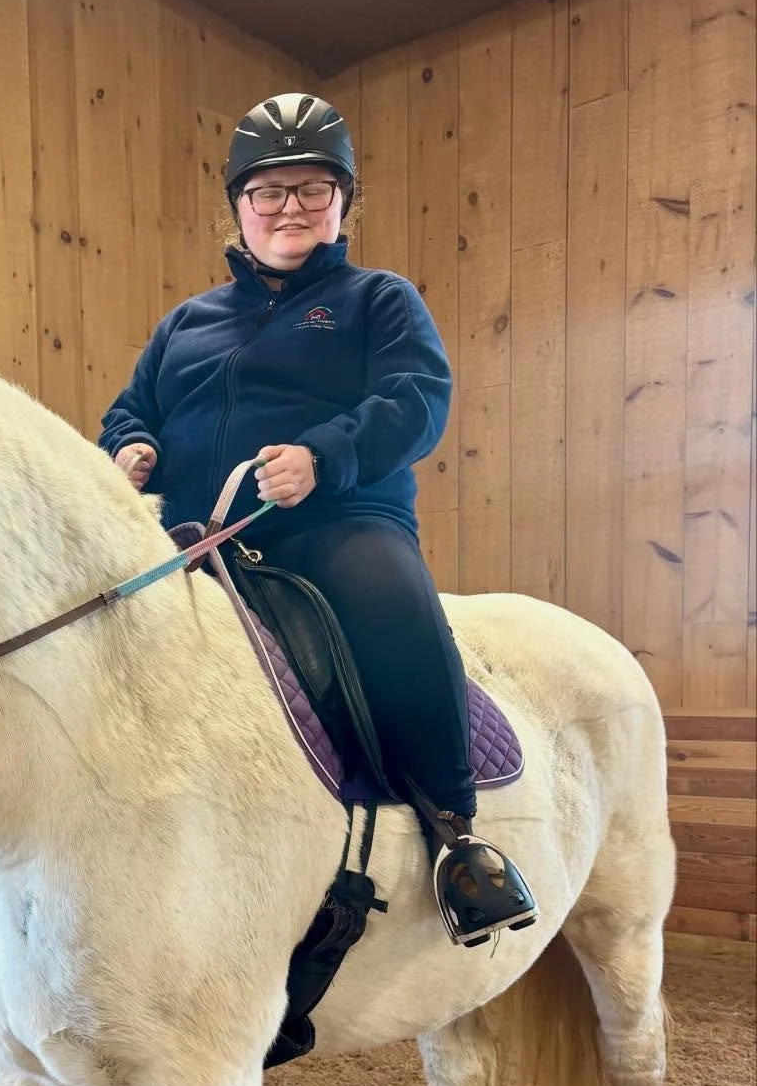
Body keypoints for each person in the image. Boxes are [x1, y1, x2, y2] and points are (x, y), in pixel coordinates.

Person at [99, 92, 536, 945]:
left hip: (333, 520)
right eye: (270, 191)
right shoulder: (184, 324)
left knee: (392, 606)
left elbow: (417, 401)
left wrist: (322, 458)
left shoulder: (380, 299)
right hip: (191, 538)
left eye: (312, 189)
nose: (289, 207)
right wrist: (133, 447)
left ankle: (458, 840)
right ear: (240, 206)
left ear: (343, 203)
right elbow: (129, 410)